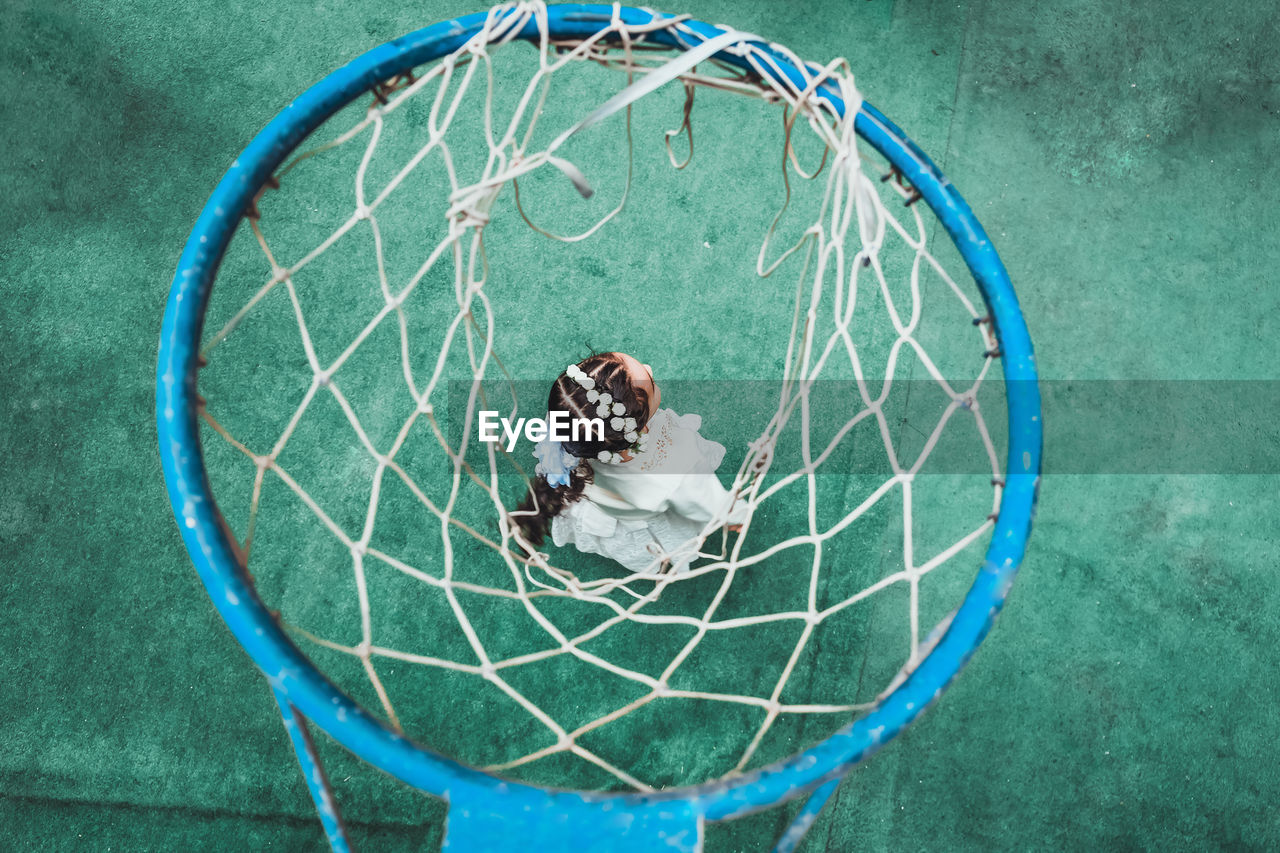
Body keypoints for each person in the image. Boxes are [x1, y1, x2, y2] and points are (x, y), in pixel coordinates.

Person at [511, 352, 745, 574]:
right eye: (650, 381)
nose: (649, 368)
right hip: (636, 509)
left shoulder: (578, 421)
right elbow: (702, 497)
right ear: (641, 427)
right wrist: (732, 515)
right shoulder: (675, 468)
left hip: (604, 499)